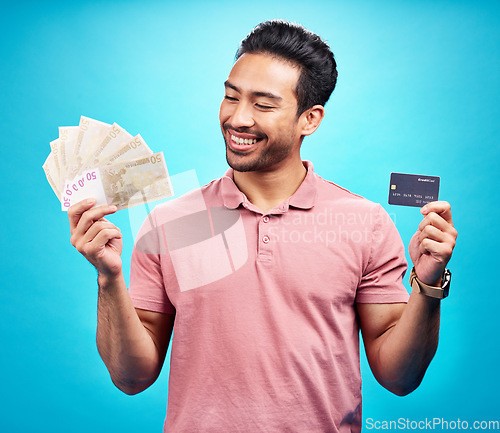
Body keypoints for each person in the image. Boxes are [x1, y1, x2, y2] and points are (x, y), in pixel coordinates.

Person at [68, 20, 457, 433]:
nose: (237, 118)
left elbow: (400, 378)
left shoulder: (365, 222)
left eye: (263, 104)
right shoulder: (174, 221)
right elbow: (132, 377)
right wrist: (108, 278)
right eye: (230, 97)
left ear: (310, 118)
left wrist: (428, 286)